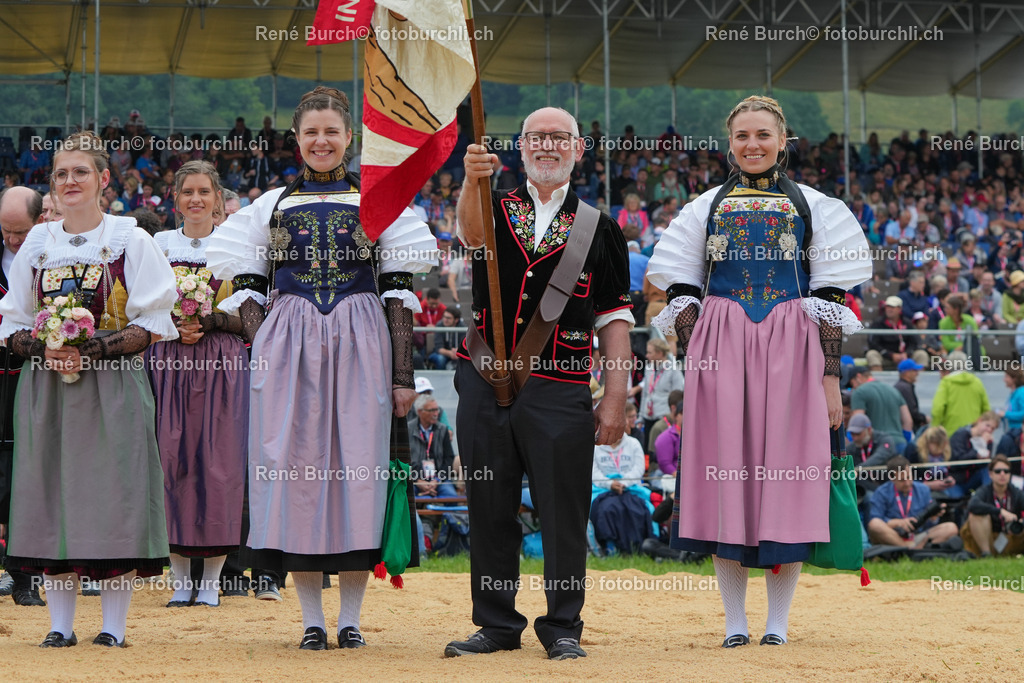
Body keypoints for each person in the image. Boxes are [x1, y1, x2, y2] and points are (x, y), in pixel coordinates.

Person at [207, 87, 435, 651]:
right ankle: (312, 620)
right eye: (311, 132)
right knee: (295, 472)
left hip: (362, 342)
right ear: (297, 138)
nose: (321, 141)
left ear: (349, 137)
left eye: (332, 131)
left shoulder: (379, 200)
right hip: (290, 344)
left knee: (360, 470)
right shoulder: (269, 206)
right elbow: (249, 286)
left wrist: (403, 376)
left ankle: (350, 619)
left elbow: (398, 294)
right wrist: (268, 343)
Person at [646, 95, 871, 647]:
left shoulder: (815, 206)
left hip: (793, 345)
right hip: (721, 344)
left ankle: (777, 624)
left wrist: (830, 377)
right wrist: (696, 354)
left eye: (763, 135)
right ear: (730, 144)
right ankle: (734, 623)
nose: (753, 144)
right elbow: (680, 286)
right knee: (724, 476)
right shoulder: (703, 207)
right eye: (743, 135)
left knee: (788, 478)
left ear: (783, 140)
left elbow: (830, 295)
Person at [446, 106, 633, 661]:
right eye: (536, 137)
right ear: (521, 146)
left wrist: (615, 398)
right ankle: (496, 625)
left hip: (562, 386)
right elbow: (470, 235)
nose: (547, 145)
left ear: (578, 149)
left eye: (559, 137)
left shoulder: (602, 228)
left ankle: (562, 626)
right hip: (484, 378)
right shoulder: (490, 205)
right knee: (489, 506)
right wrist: (471, 179)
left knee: (563, 511)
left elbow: (614, 320)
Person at [0, 131, 179, 647]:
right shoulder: (38, 245)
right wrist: (45, 347)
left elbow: (154, 322)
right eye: (61, 173)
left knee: (114, 495)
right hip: (47, 388)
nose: (70, 180)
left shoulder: (131, 239)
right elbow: (13, 323)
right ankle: (59, 625)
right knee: (50, 492)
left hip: (114, 385)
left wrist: (93, 349)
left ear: (103, 179)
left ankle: (112, 627)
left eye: (80, 171)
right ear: (51, 185)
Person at [146, 161, 250, 608]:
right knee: (169, 460)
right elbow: (141, 305)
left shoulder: (237, 245)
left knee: (219, 463)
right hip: (168, 359)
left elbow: (253, 315)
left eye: (204, 191)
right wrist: (173, 323)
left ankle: (210, 579)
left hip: (222, 361)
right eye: (187, 191)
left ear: (218, 199)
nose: (196, 199)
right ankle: (178, 576)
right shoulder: (158, 244)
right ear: (175, 199)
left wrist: (210, 322)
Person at [0, 186, 47, 606]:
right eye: (6, 232)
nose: (13, 240)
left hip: (31, 377)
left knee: (27, 474)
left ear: (40, 220)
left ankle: (25, 576)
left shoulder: (52, 258)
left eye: (21, 231)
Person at [866, 457, 959, 548]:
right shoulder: (882, 492)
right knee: (874, 524)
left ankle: (913, 549)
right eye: (902, 480)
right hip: (893, 536)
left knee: (951, 528)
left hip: (917, 536)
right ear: (892, 479)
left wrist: (933, 518)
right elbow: (876, 520)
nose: (907, 483)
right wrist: (899, 523)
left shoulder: (923, 489)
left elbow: (928, 526)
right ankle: (910, 549)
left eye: (909, 477)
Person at [590, 424, 652, 555]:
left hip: (630, 488)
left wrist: (624, 483)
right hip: (603, 489)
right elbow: (593, 472)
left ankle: (636, 545)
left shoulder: (633, 444)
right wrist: (610, 484)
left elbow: (638, 469)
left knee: (636, 509)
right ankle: (610, 545)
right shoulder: (596, 446)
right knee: (607, 509)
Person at [960, 455, 1024, 557]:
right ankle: (987, 554)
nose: (1002, 474)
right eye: (998, 471)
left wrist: (1021, 522)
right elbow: (972, 505)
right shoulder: (984, 491)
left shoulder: (1016, 493)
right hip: (988, 537)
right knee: (977, 515)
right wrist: (1000, 511)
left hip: (1012, 538)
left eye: (1006, 471)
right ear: (990, 474)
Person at [629, 339, 684, 438]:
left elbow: (678, 397)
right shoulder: (648, 368)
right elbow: (645, 395)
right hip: (648, 418)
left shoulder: (673, 370)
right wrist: (641, 417)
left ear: (659, 353)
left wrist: (674, 418)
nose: (646, 356)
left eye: (650, 353)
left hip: (664, 419)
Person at [849, 366, 913, 451]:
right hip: (899, 443)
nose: (853, 388)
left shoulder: (859, 392)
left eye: (852, 384)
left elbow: (857, 422)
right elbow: (908, 421)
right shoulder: (894, 391)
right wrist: (904, 441)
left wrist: (851, 443)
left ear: (858, 377)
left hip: (876, 445)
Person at [931, 351, 990, 435]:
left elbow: (937, 409)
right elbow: (986, 409)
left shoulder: (946, 383)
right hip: (973, 433)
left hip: (951, 432)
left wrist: (934, 428)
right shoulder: (977, 382)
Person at [893, 358, 928, 434]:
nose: (917, 374)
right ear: (907, 373)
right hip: (907, 429)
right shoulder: (904, 388)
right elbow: (911, 411)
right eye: (915, 371)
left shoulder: (902, 386)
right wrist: (924, 419)